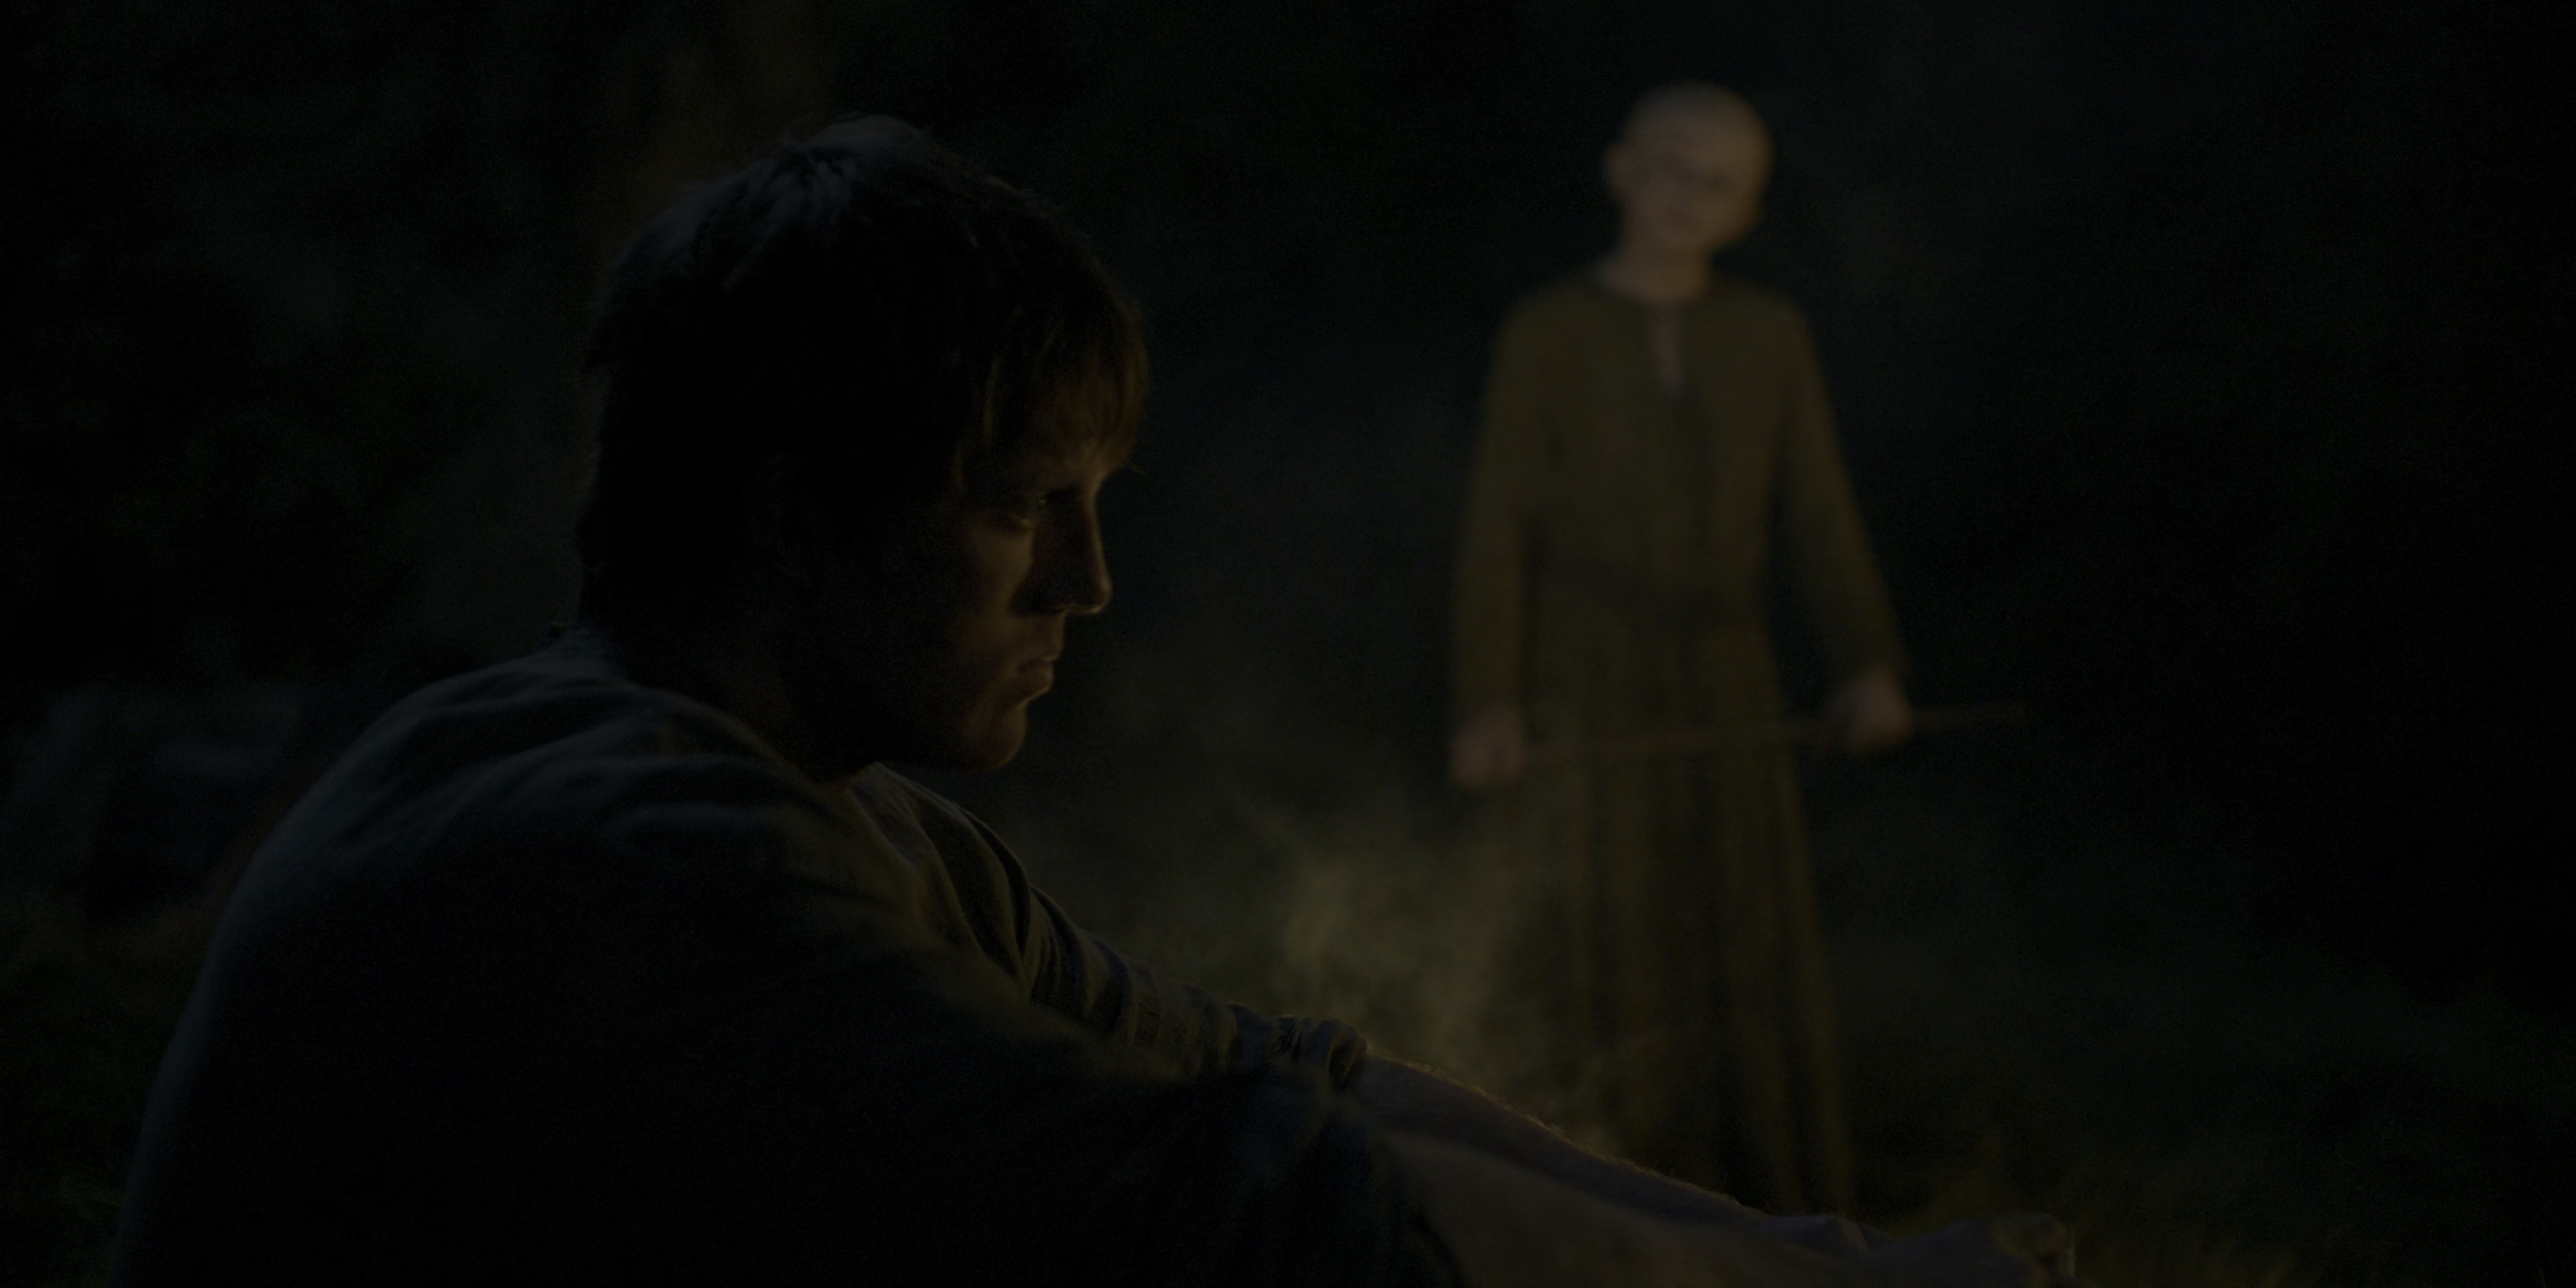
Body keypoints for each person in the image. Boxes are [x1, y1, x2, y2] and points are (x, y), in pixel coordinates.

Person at [111, 118, 2072, 1287]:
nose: (1088, 583)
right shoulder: (625, 857)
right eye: (1018, 508)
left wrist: (1813, 1257)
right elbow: (1277, 1219)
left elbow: (1289, 1079)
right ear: (795, 516)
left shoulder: (843, 817)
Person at [1450, 83, 1911, 1212]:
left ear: (1747, 211)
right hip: (1586, 676)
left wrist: (1869, 666)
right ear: (1621, 169)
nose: (1687, 195)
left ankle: (1759, 1223)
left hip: (1726, 675)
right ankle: (1606, 1213)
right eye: (1670, 165)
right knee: (1604, 939)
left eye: (1718, 182)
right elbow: (1500, 526)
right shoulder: (1548, 331)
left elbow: (1818, 510)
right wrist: (1489, 701)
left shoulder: (1769, 334)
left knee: (1740, 938)